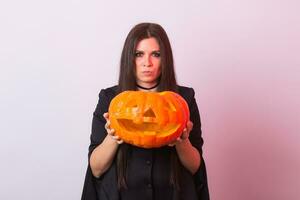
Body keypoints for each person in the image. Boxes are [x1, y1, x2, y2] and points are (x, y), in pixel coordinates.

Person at [81, 22, 209, 200]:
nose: (146, 63)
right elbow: (96, 169)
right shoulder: (110, 99)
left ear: (165, 58)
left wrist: (182, 142)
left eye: (155, 55)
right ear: (129, 58)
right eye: (139, 54)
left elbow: (195, 167)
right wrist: (112, 136)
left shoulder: (183, 99)